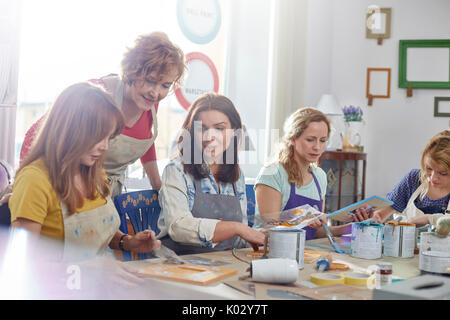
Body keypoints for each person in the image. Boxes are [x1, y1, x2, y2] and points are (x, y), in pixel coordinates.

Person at [9, 82, 161, 268]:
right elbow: (22, 264)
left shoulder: (95, 174)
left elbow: (97, 230)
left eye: (108, 138)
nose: (105, 146)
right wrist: (88, 271)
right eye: (98, 136)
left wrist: (128, 242)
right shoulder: (35, 179)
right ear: (70, 129)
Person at [20, 32, 186, 196]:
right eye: (150, 81)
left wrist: (158, 187)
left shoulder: (149, 105)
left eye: (165, 85)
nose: (156, 93)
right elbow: (35, 135)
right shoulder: (98, 93)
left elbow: (145, 140)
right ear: (132, 70)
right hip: (69, 191)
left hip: (108, 195)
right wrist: (25, 187)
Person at [157, 93, 265, 255]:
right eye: (202, 129)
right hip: (179, 263)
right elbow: (178, 227)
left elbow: (238, 238)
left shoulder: (236, 175)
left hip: (223, 262)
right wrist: (237, 228)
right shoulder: (176, 170)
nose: (209, 137)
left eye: (219, 128)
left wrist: (260, 237)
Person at [254, 107, 351, 240]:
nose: (317, 147)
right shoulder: (273, 173)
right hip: (269, 251)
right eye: (310, 139)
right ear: (293, 139)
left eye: (322, 140)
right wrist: (301, 218)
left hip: (304, 251)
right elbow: (270, 229)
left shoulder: (320, 176)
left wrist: (348, 228)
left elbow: (314, 232)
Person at [354, 130, 450, 226]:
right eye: (429, 168)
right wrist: (371, 219)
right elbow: (382, 214)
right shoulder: (413, 180)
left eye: (442, 173)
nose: (433, 178)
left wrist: (429, 219)